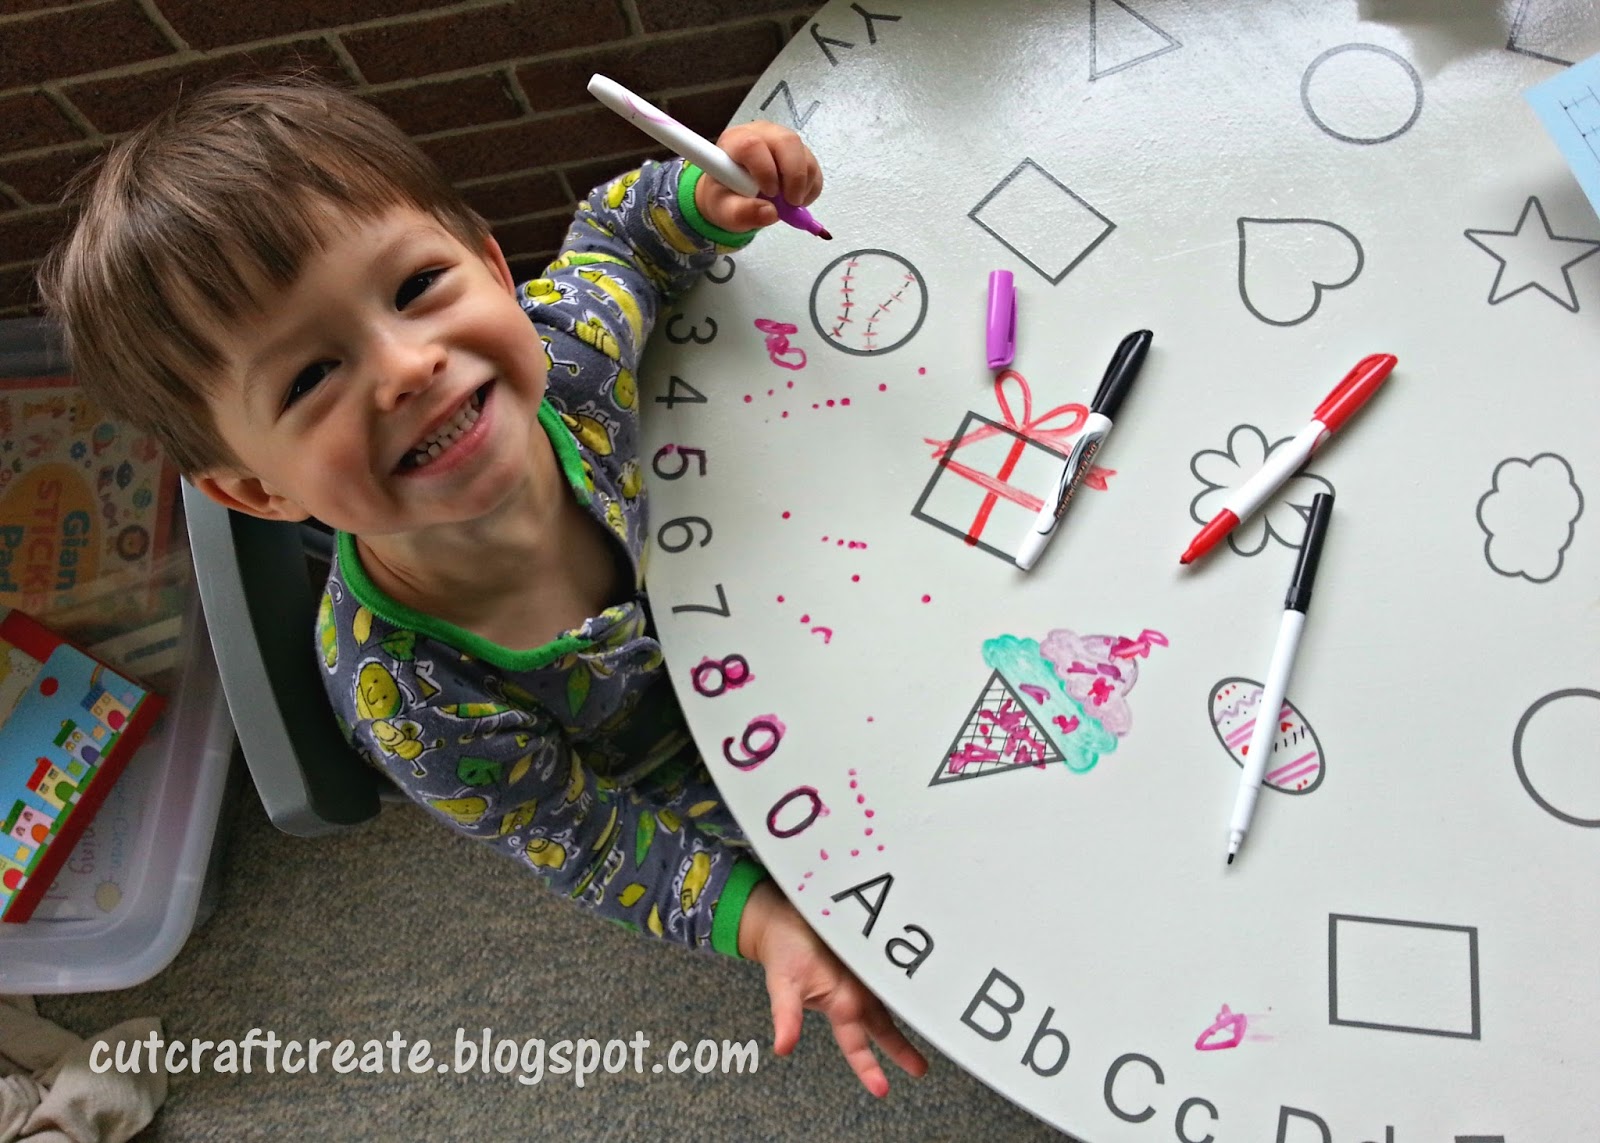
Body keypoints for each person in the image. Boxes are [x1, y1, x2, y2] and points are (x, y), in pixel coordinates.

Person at [38, 77, 927, 1097]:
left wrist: (700, 196)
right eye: (306, 379)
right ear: (253, 488)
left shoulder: (570, 351)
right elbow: (596, 841)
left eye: (416, 287)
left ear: (496, 270)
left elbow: (618, 239)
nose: (409, 365)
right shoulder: (414, 701)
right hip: (718, 782)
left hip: (794, 587)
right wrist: (762, 925)